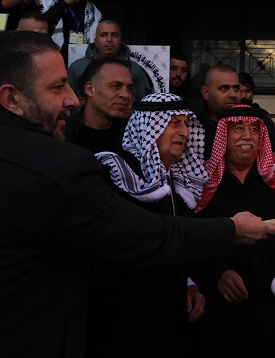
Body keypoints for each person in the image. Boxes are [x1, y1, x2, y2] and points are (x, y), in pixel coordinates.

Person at [0, 30, 275, 356]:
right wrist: (231, 230)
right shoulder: (60, 166)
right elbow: (142, 235)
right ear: (11, 98)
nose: (73, 99)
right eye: (58, 87)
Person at [88, 93, 211, 354]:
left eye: (186, 124)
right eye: (174, 123)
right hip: (125, 317)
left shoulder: (176, 181)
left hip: (167, 313)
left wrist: (187, 282)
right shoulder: (118, 173)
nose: (185, 133)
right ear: (149, 126)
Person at [191, 106, 275, 357]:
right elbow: (190, 239)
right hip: (222, 316)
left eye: (254, 129)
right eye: (238, 129)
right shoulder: (200, 181)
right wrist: (215, 273)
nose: (247, 136)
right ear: (223, 134)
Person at [196, 64, 275, 161]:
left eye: (236, 88)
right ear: (206, 93)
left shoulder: (259, 121)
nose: (233, 95)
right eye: (224, 88)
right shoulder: (192, 124)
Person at [67, 20, 154, 101]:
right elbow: (68, 101)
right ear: (95, 41)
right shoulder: (77, 68)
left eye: (114, 35)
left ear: (120, 41)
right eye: (104, 35)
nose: (109, 39)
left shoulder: (135, 69)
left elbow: (145, 105)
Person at [64, 57, 134, 154]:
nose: (126, 94)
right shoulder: (62, 133)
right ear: (90, 89)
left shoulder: (134, 138)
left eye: (129, 88)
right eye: (116, 86)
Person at [38, 0, 102, 60]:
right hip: (54, 58)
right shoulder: (48, 3)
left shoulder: (95, 13)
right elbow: (40, 27)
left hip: (81, 61)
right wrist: (63, 3)